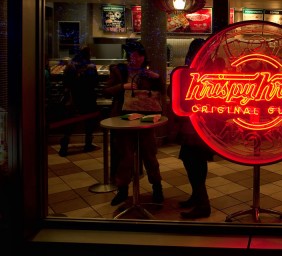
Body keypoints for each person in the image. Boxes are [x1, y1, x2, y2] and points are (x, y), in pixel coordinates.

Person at [102, 42, 165, 206]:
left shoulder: (148, 72)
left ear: (144, 57)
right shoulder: (119, 70)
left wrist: (157, 78)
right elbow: (106, 90)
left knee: (149, 155)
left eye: (138, 55)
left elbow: (159, 92)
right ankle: (122, 190)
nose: (134, 58)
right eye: (131, 55)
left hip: (145, 118)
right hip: (123, 119)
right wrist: (123, 86)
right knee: (125, 157)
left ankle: (157, 188)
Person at [172, 38, 214, 218]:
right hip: (193, 124)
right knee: (192, 161)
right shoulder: (199, 69)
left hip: (199, 126)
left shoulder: (207, 70)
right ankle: (197, 196)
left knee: (194, 161)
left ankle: (203, 204)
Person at [58, 46, 100, 157]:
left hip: (74, 97)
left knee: (71, 122)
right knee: (89, 122)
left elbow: (65, 82)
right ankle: (88, 144)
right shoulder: (91, 67)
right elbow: (95, 82)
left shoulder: (70, 66)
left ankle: (65, 144)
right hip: (88, 98)